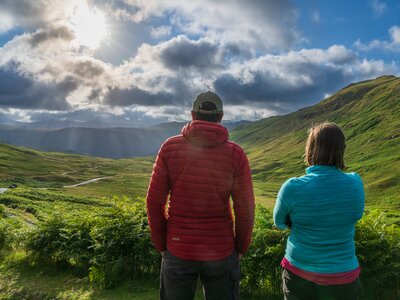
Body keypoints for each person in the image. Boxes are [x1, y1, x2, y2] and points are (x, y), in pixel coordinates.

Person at [146, 91, 255, 300]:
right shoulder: (236, 154)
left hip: (177, 247)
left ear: (193, 114)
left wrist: (162, 244)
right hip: (221, 249)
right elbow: (245, 209)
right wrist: (240, 247)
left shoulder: (169, 147)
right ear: (221, 116)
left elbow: (154, 202)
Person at [273, 122, 365, 300]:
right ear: (341, 150)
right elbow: (357, 215)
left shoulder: (293, 187)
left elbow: (279, 222)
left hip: (300, 269)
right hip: (343, 272)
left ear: (311, 149)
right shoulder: (355, 183)